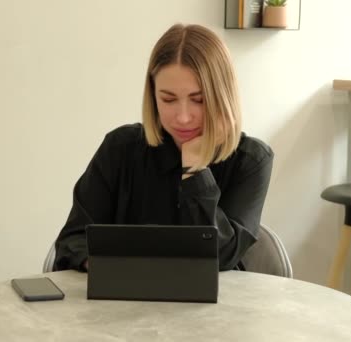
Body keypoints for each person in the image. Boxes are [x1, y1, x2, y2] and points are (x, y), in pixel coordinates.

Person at [53, 23, 273, 272]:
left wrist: (195, 168)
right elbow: (72, 240)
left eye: (198, 100)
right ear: (153, 95)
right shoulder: (120, 148)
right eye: (168, 99)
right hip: (120, 303)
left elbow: (221, 256)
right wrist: (108, 267)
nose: (183, 117)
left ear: (222, 97)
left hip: (215, 309)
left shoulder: (251, 160)